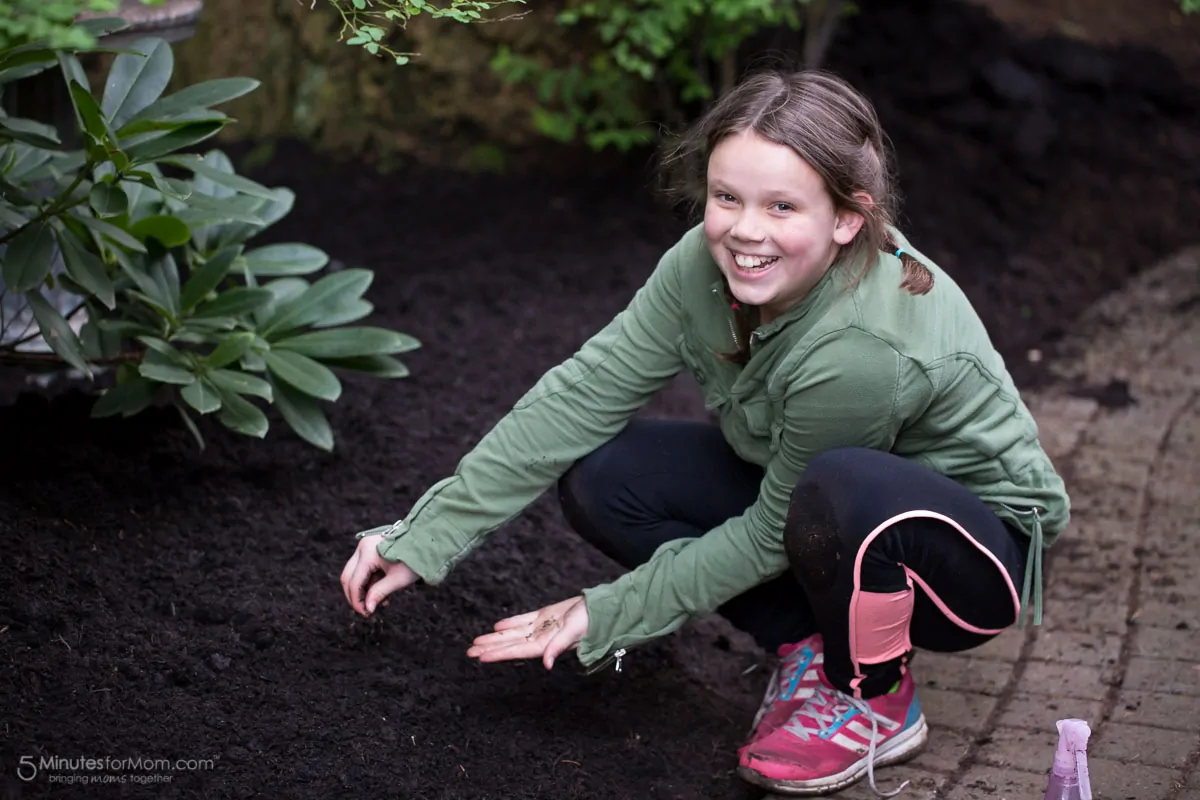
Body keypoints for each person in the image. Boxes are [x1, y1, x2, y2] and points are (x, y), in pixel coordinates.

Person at [339, 69, 1069, 798]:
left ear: (848, 218)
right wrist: (427, 535)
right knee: (608, 479)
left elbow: (770, 527)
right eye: (728, 197)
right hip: (820, 497)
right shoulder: (701, 265)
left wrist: (608, 612)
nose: (745, 230)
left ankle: (871, 696)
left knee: (842, 486)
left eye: (782, 206)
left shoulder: (861, 349)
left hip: (971, 556)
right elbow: (582, 394)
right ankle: (808, 644)